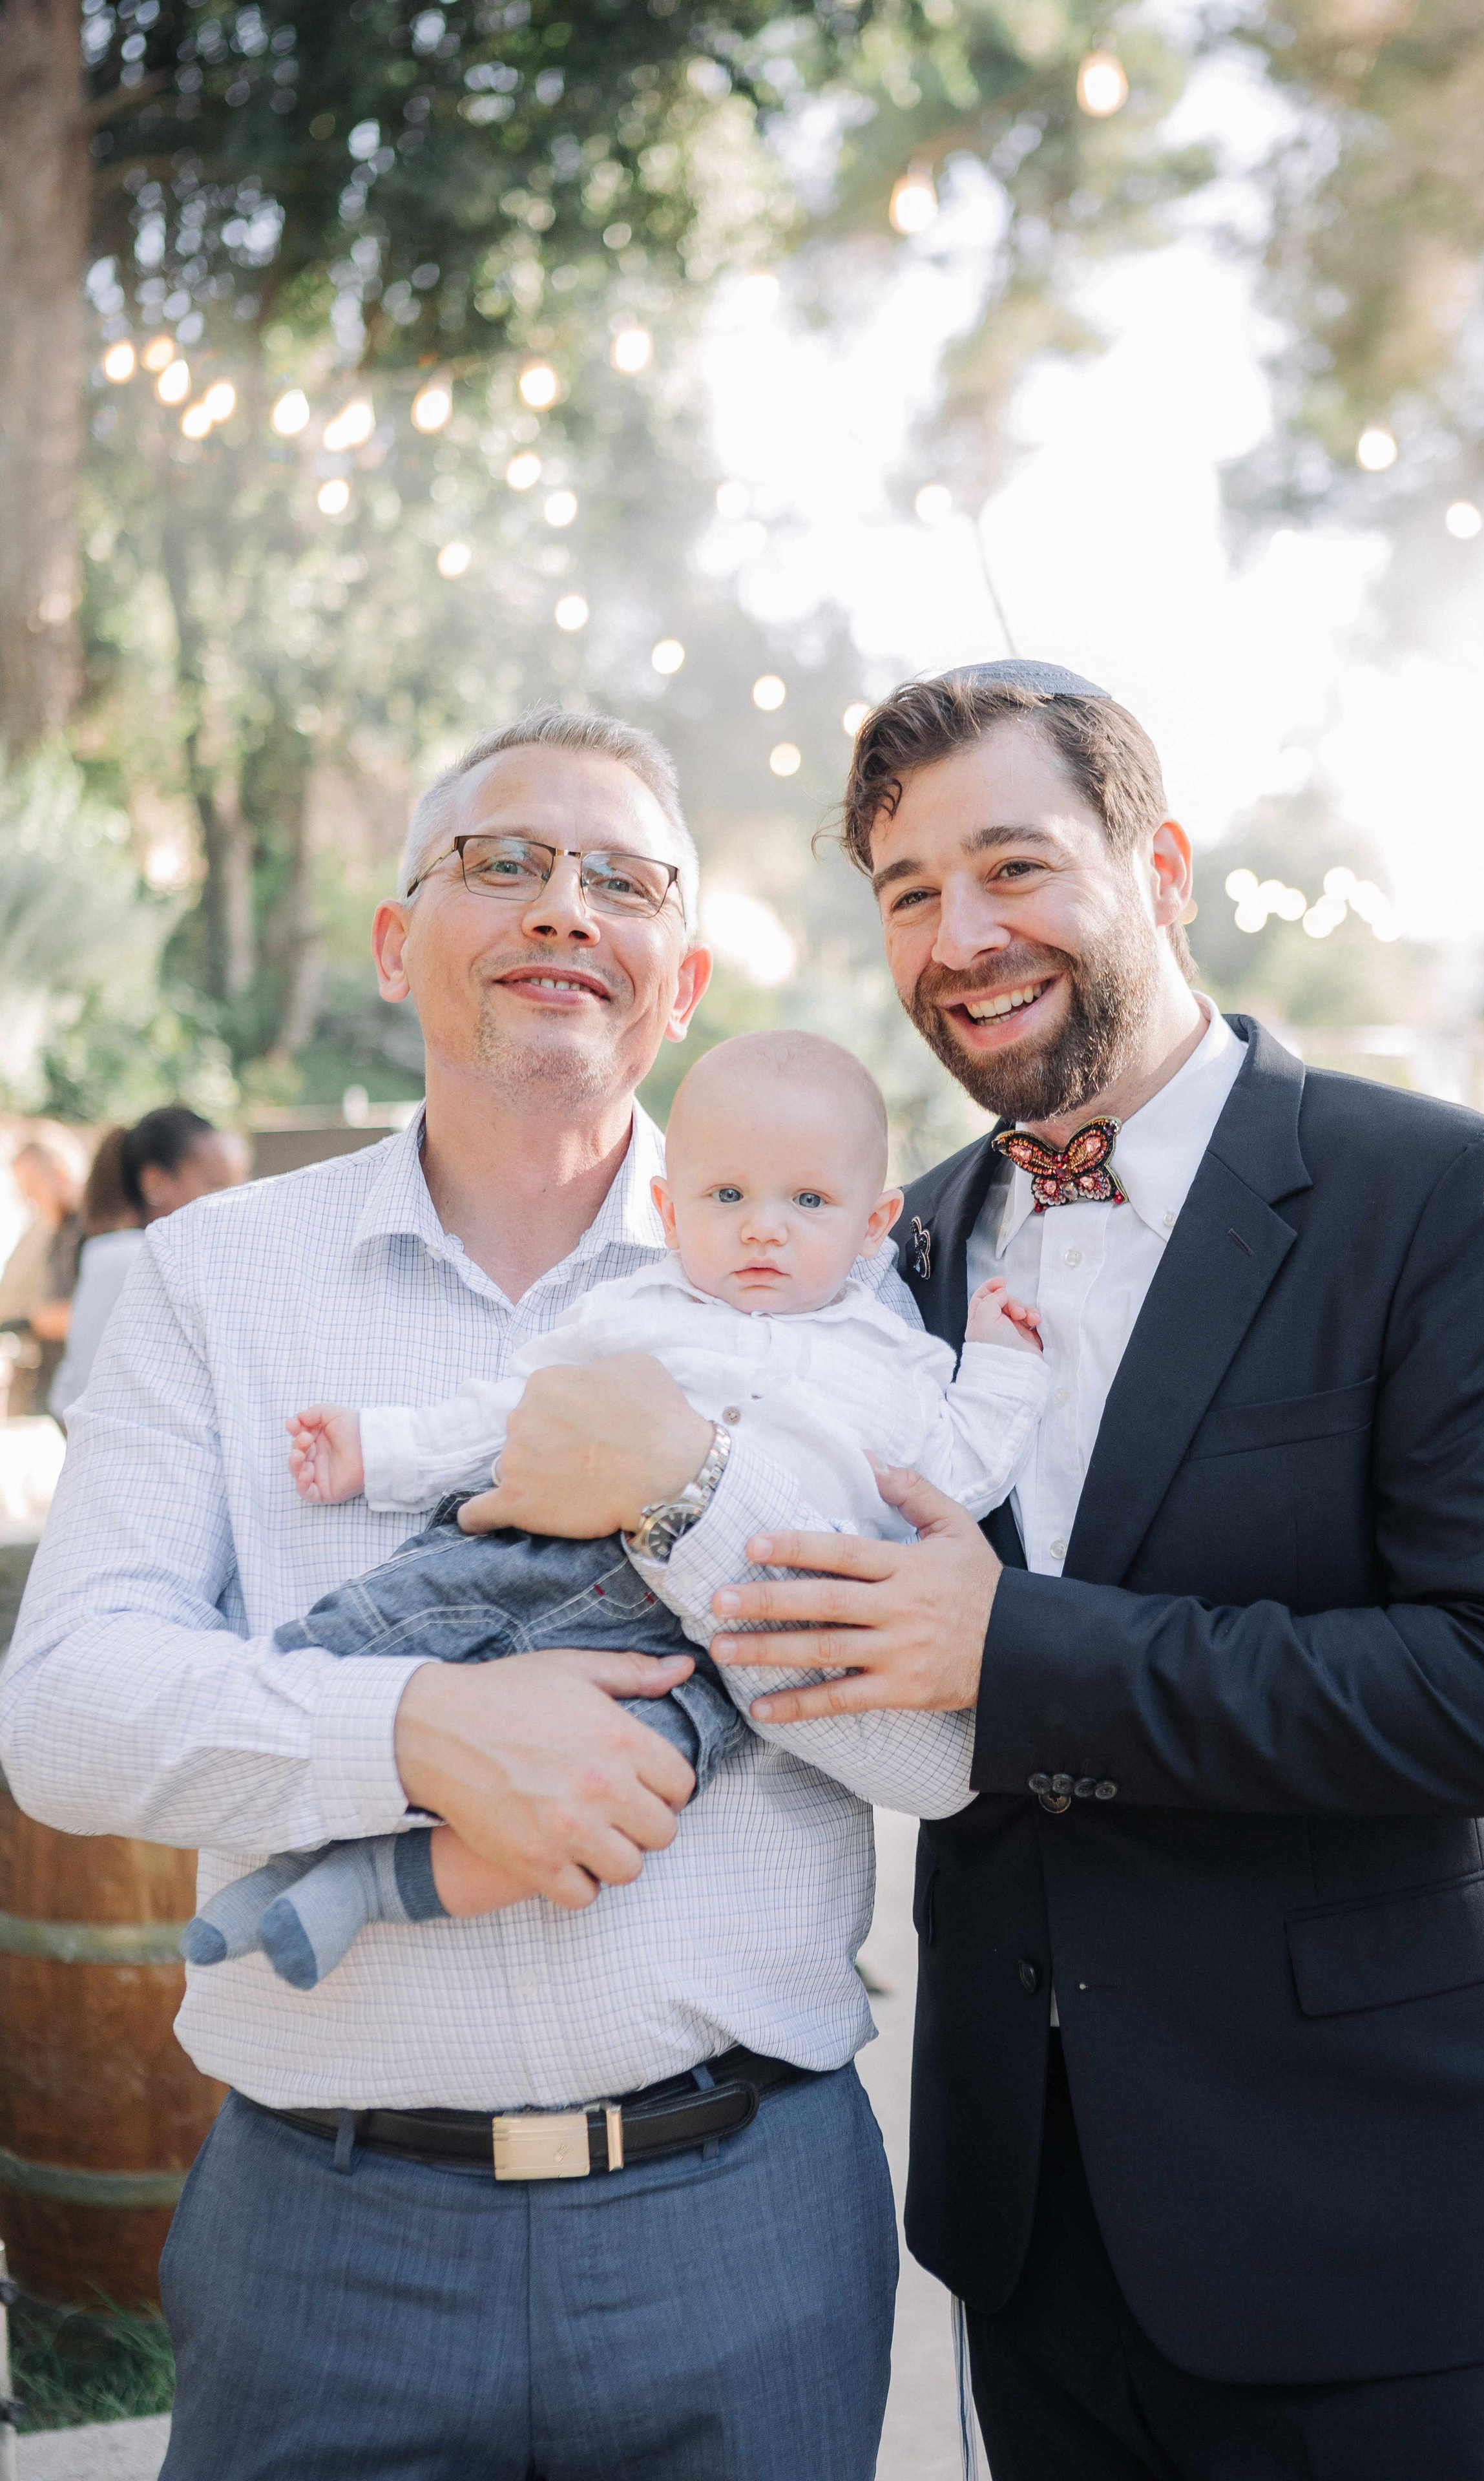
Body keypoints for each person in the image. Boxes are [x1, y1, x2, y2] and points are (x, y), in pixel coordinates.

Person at [475, 662, 1484, 2481]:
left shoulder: (1439, 1193)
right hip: (1031, 2221)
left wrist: (1023, 1650)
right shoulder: (886, 1239)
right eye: (912, 893)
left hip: (1376, 2206)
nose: (963, 935)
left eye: (1014, 867)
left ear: (1159, 861)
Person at [0, 704, 976, 2481]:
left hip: (742, 2220)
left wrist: (684, 1492)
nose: (560, 907)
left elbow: (933, 1759)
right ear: (396, 941)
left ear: (679, 983)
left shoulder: (842, 1308)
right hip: (328, 2235)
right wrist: (421, 1731)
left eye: (621, 880)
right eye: (502, 861)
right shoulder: (209, 1285)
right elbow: (66, 1713)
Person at [185, 1027, 1044, 1989]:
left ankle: (367, 1889)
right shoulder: (642, 1310)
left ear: (874, 1221)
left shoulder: (899, 1361)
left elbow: (959, 1475)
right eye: (728, 1197)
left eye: (808, 1201)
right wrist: (380, 1451)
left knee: (620, 1791)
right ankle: (278, 1835)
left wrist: (1004, 1362)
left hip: (715, 1656)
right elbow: (515, 1410)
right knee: (402, 1608)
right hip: (550, 1559)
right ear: (671, 1211)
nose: (765, 1228)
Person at [49, 1108, 247, 1417]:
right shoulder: (139, 1258)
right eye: (217, 1184)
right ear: (155, 1183)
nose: (238, 1200)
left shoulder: (112, 1253)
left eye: (242, 1184)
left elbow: (65, 1392)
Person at [0, 1136, 83, 1415]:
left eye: (32, 1189)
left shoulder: (90, 1230)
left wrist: (30, 1319)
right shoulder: (56, 1229)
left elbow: (91, 1314)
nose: (30, 1200)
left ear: (60, 1173)